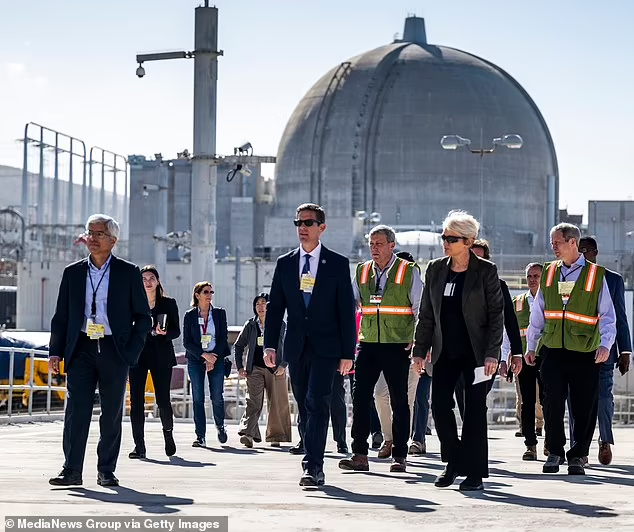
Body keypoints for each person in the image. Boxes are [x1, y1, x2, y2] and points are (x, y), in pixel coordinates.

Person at [48, 214, 151, 487]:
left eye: (99, 233)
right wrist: (55, 352)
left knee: (111, 412)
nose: (92, 238)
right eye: (89, 232)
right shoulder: (73, 272)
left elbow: (143, 317)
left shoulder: (128, 272)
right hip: (81, 347)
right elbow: (61, 317)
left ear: (113, 241)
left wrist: (131, 350)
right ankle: (71, 470)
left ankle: (106, 470)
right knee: (76, 411)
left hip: (113, 348)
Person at [264, 203, 356, 487]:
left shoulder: (337, 264)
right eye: (298, 223)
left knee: (318, 402)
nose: (302, 228)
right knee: (304, 405)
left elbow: (346, 311)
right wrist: (270, 346)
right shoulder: (285, 263)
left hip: (327, 347)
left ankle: (313, 466)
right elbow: (276, 307)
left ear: (322, 228)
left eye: (308, 222)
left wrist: (347, 353)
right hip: (296, 346)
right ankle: (312, 452)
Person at [412, 211, 504, 491]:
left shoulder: (486, 271)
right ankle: (453, 461)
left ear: (468, 241)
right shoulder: (436, 269)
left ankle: (475, 473)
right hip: (445, 353)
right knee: (439, 407)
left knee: (474, 413)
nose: (445, 243)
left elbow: (496, 314)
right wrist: (420, 349)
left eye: (452, 239)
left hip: (476, 356)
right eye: (444, 237)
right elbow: (426, 313)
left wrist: (492, 353)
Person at [525, 223, 616, 476]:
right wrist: (532, 345)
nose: (553, 247)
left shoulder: (596, 275)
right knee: (552, 402)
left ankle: (578, 455)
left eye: (557, 243)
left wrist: (606, 345)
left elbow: (608, 316)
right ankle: (555, 452)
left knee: (584, 405)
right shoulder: (549, 272)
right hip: (553, 349)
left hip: (585, 351)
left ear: (573, 243)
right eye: (552, 243)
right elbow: (538, 313)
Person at [339, 225, 422, 473]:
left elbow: (421, 308)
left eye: (379, 244)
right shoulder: (363, 271)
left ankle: (400, 456)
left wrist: (417, 339)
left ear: (391, 245)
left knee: (399, 401)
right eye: (371, 244)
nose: (374, 248)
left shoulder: (408, 271)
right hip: (369, 344)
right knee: (361, 397)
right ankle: (360, 454)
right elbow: (350, 303)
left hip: (397, 345)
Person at [575, 237, 631, 465]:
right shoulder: (569, 277)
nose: (582, 254)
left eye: (585, 251)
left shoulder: (613, 279)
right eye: (578, 251)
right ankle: (580, 448)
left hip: (605, 349)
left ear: (596, 252)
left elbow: (620, 317)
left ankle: (605, 440)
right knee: (577, 399)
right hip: (576, 349)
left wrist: (625, 350)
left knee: (604, 397)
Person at [373, 250, 422, 459]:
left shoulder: (416, 283)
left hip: (410, 352)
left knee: (406, 400)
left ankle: (400, 443)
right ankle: (389, 437)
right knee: (380, 394)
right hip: (388, 348)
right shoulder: (386, 284)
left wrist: (419, 345)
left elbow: (423, 314)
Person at [128, 266, 180, 459]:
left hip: (161, 354)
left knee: (163, 400)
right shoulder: (133, 302)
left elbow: (177, 331)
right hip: (138, 355)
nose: (148, 282)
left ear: (158, 281)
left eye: (151, 278)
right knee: (136, 401)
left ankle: (168, 435)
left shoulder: (168, 303)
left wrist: (165, 334)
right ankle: (139, 445)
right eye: (143, 278)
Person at [235, 293, 292, 448]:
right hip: (255, 369)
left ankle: (276, 436)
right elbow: (238, 346)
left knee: (277, 403)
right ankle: (248, 434)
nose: (260, 306)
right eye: (257, 304)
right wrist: (240, 366)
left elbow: (289, 346)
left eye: (264, 303)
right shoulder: (250, 325)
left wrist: (283, 365)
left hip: (276, 369)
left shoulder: (280, 324)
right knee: (253, 401)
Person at [502, 262, 545, 460]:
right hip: (524, 359)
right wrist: (505, 359)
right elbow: (507, 333)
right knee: (527, 402)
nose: (532, 280)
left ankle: (551, 443)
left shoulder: (551, 301)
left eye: (536, 276)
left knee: (549, 401)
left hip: (546, 357)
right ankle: (530, 444)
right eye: (529, 276)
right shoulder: (517, 302)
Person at [183, 282, 231, 448]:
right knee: (198, 398)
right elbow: (187, 342)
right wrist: (205, 357)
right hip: (197, 359)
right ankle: (200, 436)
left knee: (217, 396)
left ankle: (220, 426)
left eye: (211, 292)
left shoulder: (219, 314)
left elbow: (224, 338)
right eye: (206, 292)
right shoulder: (189, 316)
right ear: (197, 295)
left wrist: (213, 357)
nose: (209, 295)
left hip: (216, 358)